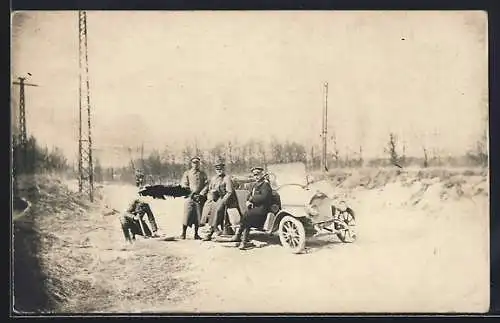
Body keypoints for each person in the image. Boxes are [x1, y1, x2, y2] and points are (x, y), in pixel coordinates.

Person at [230, 166, 273, 250]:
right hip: (256, 209)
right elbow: (249, 195)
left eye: (257, 174)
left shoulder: (265, 184)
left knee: (247, 215)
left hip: (263, 209)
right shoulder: (255, 184)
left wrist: (251, 199)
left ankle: (240, 237)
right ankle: (242, 240)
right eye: (254, 175)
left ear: (262, 174)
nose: (256, 176)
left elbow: (264, 197)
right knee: (247, 217)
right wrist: (248, 200)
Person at [199, 157, 236, 241]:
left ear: (223, 169)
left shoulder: (227, 178)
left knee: (217, 209)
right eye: (217, 169)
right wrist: (202, 194)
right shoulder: (213, 178)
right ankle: (209, 227)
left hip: (225, 198)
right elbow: (208, 187)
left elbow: (230, 192)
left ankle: (211, 231)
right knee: (207, 206)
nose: (219, 170)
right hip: (214, 198)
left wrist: (223, 201)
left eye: (221, 168)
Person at [180, 156, 208, 240]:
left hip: (199, 198)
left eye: (197, 162)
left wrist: (201, 194)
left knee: (198, 216)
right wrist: (191, 194)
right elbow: (184, 185)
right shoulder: (187, 173)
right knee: (187, 215)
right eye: (194, 162)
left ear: (199, 164)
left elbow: (207, 185)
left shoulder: (203, 174)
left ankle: (196, 234)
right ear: (191, 164)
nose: (195, 164)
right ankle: (183, 233)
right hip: (190, 197)